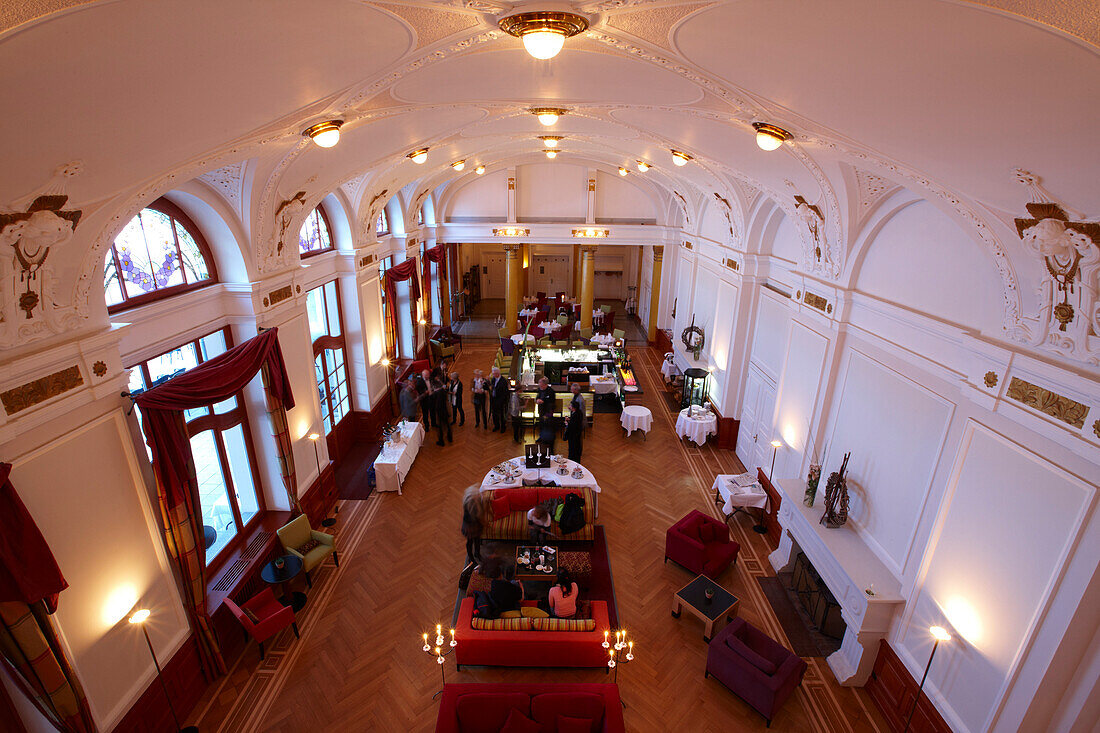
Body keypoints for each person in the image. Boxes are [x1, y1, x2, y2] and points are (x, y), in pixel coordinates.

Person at [460, 485, 483, 565]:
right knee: (470, 543)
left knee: (476, 541)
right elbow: (472, 518)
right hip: (469, 527)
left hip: (474, 526)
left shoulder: (472, 505)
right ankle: (471, 557)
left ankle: (477, 554)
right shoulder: (468, 508)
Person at [431, 372, 452, 446]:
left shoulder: (436, 394)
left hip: (440, 411)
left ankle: (441, 441)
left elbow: (435, 403)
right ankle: (450, 437)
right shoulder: (443, 391)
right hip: (445, 410)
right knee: (447, 425)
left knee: (440, 427)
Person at [489, 367, 509, 432]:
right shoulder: (493, 379)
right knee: (494, 414)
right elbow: (492, 388)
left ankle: (503, 427)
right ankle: (496, 426)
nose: (493, 375)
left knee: (501, 415)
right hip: (494, 399)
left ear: (498, 373)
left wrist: (501, 401)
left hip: (500, 400)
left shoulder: (503, 381)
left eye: (494, 374)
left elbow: (505, 393)